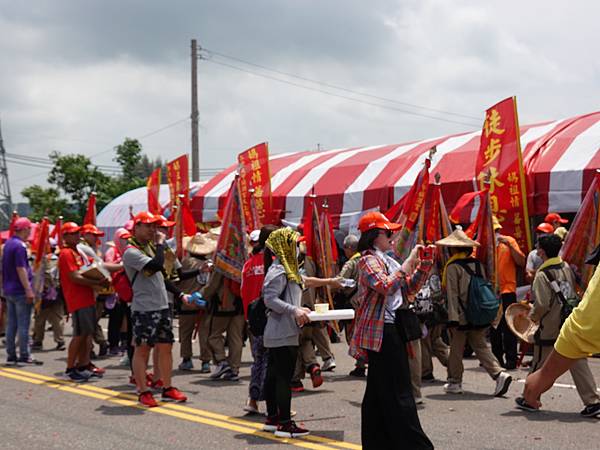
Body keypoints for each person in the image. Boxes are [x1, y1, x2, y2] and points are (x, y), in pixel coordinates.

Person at [350, 211, 433, 450]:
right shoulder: (367, 260)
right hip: (382, 331)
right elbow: (386, 286)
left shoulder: (388, 260)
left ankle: (377, 442)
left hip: (391, 328)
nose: (393, 237)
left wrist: (424, 264)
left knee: (378, 393)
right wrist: (409, 262)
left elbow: (408, 290)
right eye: (388, 233)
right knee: (399, 390)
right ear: (375, 236)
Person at [515, 234, 600, 417]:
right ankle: (592, 400)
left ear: (541, 252)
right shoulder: (565, 266)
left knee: (540, 359)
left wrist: (532, 317)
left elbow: (542, 304)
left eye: (538, 248)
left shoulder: (542, 274)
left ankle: (529, 395)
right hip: (570, 318)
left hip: (551, 323)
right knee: (577, 358)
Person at [435, 227, 512, 397]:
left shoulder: (453, 267)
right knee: (481, 346)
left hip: (461, 316)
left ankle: (454, 382)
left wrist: (453, 318)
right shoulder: (477, 264)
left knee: (456, 349)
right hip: (478, 312)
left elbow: (452, 295)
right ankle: (499, 373)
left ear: (453, 248)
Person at [122, 211, 187, 407]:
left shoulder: (151, 247)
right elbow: (156, 265)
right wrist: (160, 243)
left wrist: (180, 294)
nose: (153, 230)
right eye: (149, 226)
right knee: (142, 350)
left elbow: (166, 276)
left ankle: (167, 388)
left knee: (166, 348)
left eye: (155, 226)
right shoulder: (131, 251)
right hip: (144, 309)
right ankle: (143, 391)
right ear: (137, 226)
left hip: (162, 306)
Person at [262, 227, 311, 438]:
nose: (300, 247)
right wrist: (295, 310)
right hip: (281, 331)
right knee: (283, 377)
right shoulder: (279, 270)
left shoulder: (286, 267)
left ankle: (273, 418)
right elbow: (270, 299)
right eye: (296, 243)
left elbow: (298, 288)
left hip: (283, 330)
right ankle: (284, 423)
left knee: (275, 376)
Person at [59, 222, 109, 380]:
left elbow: (89, 269)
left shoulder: (77, 251)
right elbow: (74, 277)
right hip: (77, 299)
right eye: (72, 233)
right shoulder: (66, 253)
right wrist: (97, 283)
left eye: (77, 233)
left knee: (87, 333)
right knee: (80, 334)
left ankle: (83, 364)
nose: (76, 236)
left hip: (86, 298)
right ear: (65, 236)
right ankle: (70, 368)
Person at [241, 225, 277, 415]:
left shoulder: (248, 264)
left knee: (259, 360)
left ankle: (253, 399)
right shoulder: (275, 263)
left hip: (253, 319)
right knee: (273, 363)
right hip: (272, 318)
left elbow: (242, 291)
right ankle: (277, 406)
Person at [2, 217, 42, 365]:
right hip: (20, 290)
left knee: (11, 324)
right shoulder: (20, 246)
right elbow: (21, 269)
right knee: (24, 324)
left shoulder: (8, 244)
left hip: (9, 289)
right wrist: (28, 289)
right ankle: (24, 355)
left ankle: (11, 354)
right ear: (24, 229)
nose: (30, 232)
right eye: (29, 229)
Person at [176, 232, 215, 372]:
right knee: (205, 333)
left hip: (186, 302)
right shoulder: (210, 264)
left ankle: (186, 359)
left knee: (185, 333)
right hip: (204, 303)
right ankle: (206, 362)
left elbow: (177, 279)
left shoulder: (184, 262)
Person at [490, 217, 525, 370]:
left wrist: (509, 244)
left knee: (509, 326)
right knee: (494, 327)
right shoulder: (484, 244)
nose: (496, 233)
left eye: (497, 230)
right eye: (493, 230)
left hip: (507, 291)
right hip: (491, 292)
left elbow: (521, 261)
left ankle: (511, 359)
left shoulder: (509, 241)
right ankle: (496, 360)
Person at [336, 234, 366, 377]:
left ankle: (361, 363)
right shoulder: (366, 259)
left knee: (352, 336)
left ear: (349, 248)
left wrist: (330, 282)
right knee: (362, 334)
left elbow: (340, 281)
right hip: (365, 303)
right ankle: (361, 364)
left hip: (353, 305)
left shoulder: (351, 263)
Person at [31, 238, 65, 351]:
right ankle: (60, 341)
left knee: (40, 318)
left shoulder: (43, 260)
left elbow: (43, 276)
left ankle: (38, 341)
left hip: (44, 293)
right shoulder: (59, 259)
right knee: (58, 318)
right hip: (57, 292)